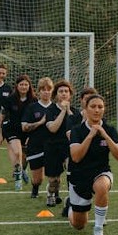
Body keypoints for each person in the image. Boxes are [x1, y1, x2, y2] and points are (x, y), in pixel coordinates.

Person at [67, 94, 118, 235]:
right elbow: (76, 157)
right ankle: (71, 209)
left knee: (101, 186)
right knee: (79, 225)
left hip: (101, 172)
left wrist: (105, 136)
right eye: (93, 106)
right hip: (79, 176)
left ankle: (98, 228)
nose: (97, 110)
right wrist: (90, 136)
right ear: (85, 109)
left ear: (104, 109)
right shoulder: (77, 130)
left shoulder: (110, 130)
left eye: (100, 107)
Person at [42, 79, 78, 207]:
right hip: (52, 146)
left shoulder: (74, 111)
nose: (63, 93)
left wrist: (68, 111)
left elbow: (76, 129)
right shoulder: (50, 110)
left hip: (69, 147)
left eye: (66, 91)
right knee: (54, 181)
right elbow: (53, 128)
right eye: (61, 91)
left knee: (72, 172)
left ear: (70, 94)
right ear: (56, 94)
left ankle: (72, 198)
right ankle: (51, 193)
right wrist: (63, 111)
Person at [0, 74, 35, 190]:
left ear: (29, 86)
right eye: (21, 84)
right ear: (17, 86)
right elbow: (1, 116)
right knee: (17, 153)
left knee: (24, 156)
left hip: (26, 131)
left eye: (26, 84)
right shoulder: (10, 99)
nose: (23, 87)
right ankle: (18, 179)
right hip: (11, 129)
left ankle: (22, 170)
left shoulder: (33, 100)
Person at [21, 77, 54, 199]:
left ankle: (54, 194)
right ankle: (35, 188)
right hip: (35, 146)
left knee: (54, 176)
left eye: (49, 89)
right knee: (38, 179)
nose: (46, 92)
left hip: (52, 146)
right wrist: (40, 122)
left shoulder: (56, 108)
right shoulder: (32, 107)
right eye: (43, 89)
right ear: (39, 91)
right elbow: (24, 127)